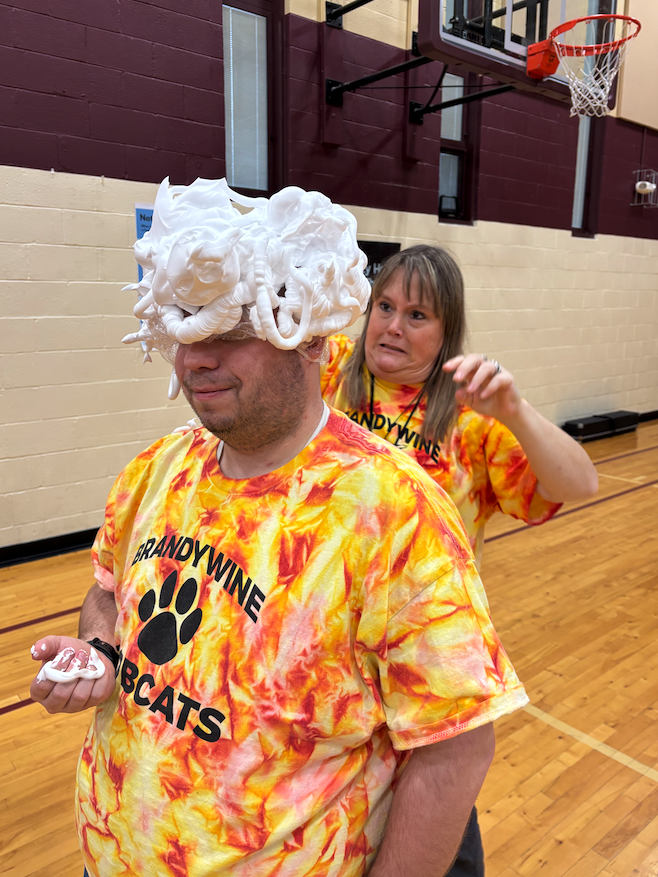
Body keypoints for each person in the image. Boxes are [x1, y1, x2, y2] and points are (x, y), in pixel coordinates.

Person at [30, 181, 529, 877]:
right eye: (186, 329)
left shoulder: (392, 508)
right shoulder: (159, 465)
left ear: (311, 338)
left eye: (232, 333)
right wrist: (100, 651)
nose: (197, 357)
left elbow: (455, 747)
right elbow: (108, 590)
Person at [319, 243, 599, 874]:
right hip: (333, 659)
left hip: (426, 667)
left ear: (447, 333)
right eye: (384, 306)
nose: (392, 326)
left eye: (417, 316)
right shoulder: (332, 373)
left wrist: (516, 412)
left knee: (438, 832)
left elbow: (580, 484)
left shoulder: (468, 420)